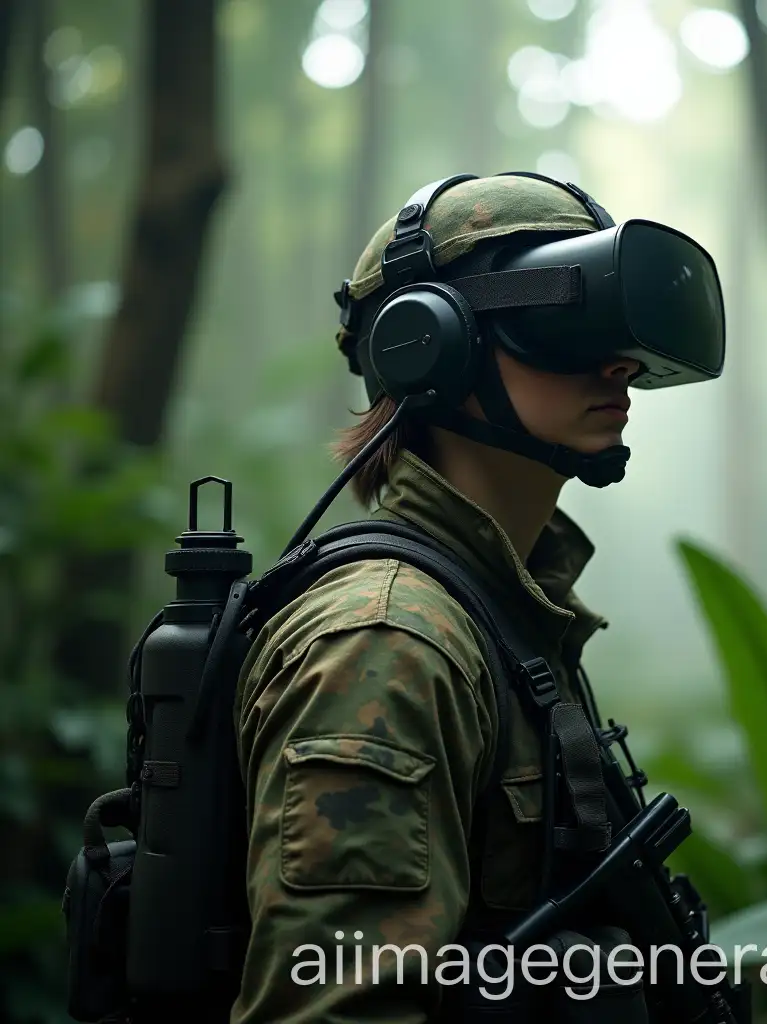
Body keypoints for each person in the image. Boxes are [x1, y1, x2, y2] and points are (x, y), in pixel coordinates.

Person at [229, 174, 686, 1023]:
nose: (616, 360)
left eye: (617, 328)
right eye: (565, 320)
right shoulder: (388, 641)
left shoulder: (495, 611)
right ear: (429, 344)